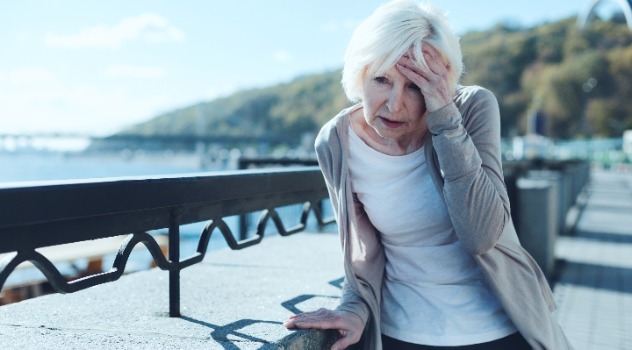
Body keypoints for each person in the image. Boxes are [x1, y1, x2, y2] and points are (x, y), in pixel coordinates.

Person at [284, 1, 573, 349]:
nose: (394, 104)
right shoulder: (336, 142)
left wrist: (446, 119)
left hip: (501, 329)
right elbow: (363, 250)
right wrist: (354, 306)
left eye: (416, 86)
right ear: (359, 73)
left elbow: (481, 235)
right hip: (400, 333)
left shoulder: (473, 109)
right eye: (381, 79)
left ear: (442, 83)